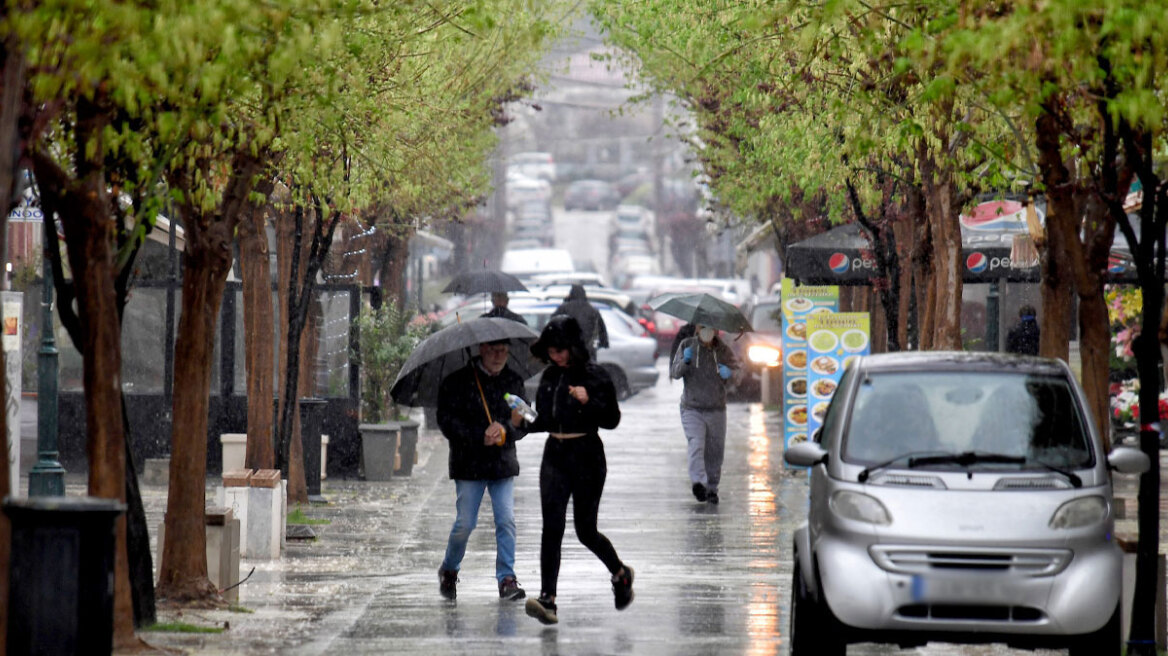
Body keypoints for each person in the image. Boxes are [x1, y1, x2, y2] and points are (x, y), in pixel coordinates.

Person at [521, 315, 634, 625]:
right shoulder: (549, 378)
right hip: (554, 456)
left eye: (561, 351)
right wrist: (520, 422)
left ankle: (620, 574)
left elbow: (612, 419)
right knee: (552, 527)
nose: (556, 357)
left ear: (573, 347)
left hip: (587, 456)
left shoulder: (595, 376)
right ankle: (548, 600)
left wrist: (589, 401)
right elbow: (542, 420)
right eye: (551, 352)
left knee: (585, 531)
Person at [436, 338, 529, 602]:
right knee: (465, 523)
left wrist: (505, 431)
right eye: (494, 350)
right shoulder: (458, 382)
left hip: (501, 463)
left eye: (504, 351)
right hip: (469, 464)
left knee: (506, 519)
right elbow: (446, 421)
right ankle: (450, 569)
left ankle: (507, 579)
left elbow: (527, 420)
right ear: (481, 350)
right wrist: (479, 436)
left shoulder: (514, 382)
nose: (500, 356)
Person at [670, 323, 739, 504]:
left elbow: (738, 373)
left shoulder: (723, 350)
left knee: (715, 451)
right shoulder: (687, 345)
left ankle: (712, 488)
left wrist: (729, 374)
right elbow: (675, 372)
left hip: (716, 408)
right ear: (697, 329)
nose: (707, 331)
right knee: (696, 443)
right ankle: (699, 483)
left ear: (717, 330)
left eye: (711, 327)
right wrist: (685, 361)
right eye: (703, 327)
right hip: (692, 407)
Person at [553, 284, 608, 359]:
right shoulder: (592, 310)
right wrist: (603, 342)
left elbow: (554, 323)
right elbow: (601, 327)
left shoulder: (564, 308)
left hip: (568, 349)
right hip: (587, 349)